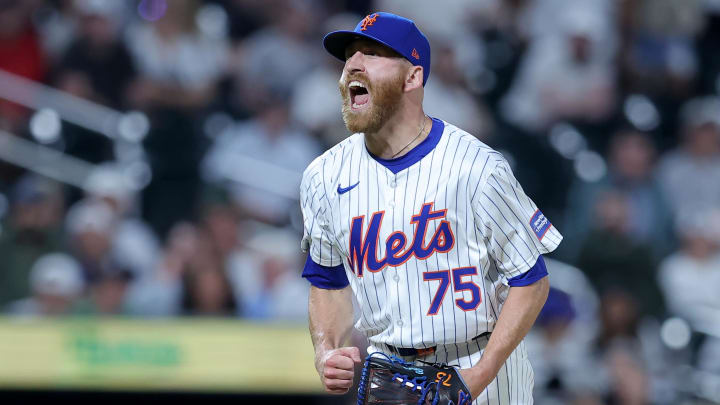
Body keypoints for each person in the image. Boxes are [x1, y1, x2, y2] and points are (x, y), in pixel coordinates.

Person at [300, 12, 562, 403]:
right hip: (386, 370)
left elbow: (531, 281)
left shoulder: (476, 167)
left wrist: (480, 374)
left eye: (372, 54)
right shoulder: (323, 175)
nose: (353, 64)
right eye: (350, 56)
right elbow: (327, 278)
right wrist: (327, 352)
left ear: (412, 78)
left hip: (476, 359)